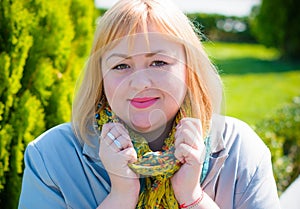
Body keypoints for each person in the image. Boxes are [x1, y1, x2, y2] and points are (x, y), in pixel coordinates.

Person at [18, 0, 281, 208]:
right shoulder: (50, 157)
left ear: (190, 70)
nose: (139, 82)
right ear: (101, 77)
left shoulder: (242, 149)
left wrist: (192, 197)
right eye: (121, 65)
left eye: (159, 63)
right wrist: (121, 197)